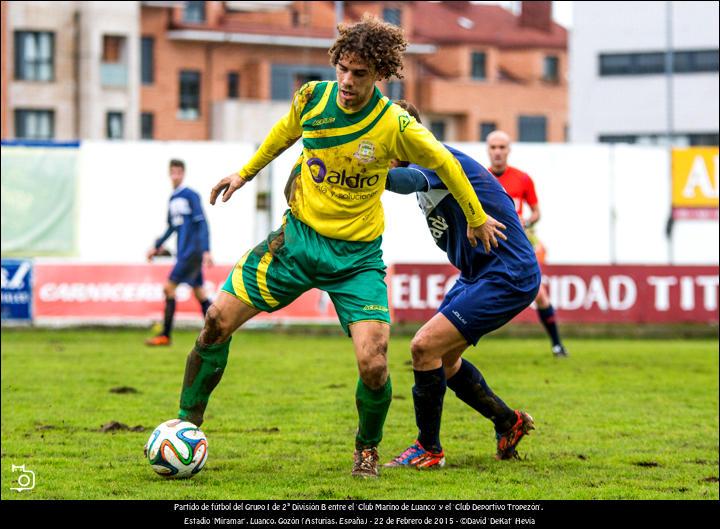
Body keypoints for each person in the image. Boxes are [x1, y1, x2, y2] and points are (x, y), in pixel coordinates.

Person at [173, 15, 506, 479]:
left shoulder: (395, 124)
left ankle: (366, 450)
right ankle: (186, 425)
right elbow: (283, 134)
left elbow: (446, 163)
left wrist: (475, 215)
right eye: (343, 69)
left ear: (380, 75)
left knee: (374, 364)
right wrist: (243, 173)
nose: (348, 81)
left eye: (360, 74)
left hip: (356, 261)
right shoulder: (312, 98)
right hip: (295, 242)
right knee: (214, 320)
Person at [382, 101, 538, 469]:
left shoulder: (434, 158)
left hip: (507, 273)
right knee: (444, 360)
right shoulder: (431, 164)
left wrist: (356, 168)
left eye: (384, 140)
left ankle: (428, 449)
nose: (380, 148)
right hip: (479, 275)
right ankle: (507, 421)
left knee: (423, 347)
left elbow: (403, 183)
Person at [486, 131, 569, 358]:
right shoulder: (481, 177)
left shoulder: (522, 179)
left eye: (502, 147)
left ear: (509, 150)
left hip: (518, 244)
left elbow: (537, 212)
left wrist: (526, 221)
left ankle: (557, 344)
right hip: (491, 243)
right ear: (488, 150)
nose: (498, 152)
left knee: (540, 294)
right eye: (493, 147)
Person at [146, 159, 213, 346]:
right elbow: (171, 227)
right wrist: (156, 246)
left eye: (178, 172)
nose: (175, 175)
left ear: (183, 174)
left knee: (168, 288)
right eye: (173, 172)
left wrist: (206, 250)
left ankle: (165, 335)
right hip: (184, 250)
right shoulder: (173, 198)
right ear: (170, 174)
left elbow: (202, 223)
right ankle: (218, 331)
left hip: (192, 251)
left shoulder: (190, 195)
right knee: (200, 293)